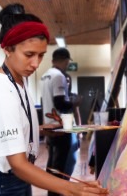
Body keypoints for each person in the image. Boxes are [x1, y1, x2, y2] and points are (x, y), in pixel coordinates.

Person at [0, 3, 108, 196]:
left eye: (41, 55)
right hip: (2, 182)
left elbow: (2, 126)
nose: (36, 63)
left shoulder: (18, 79)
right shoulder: (1, 90)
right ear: (7, 49)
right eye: (29, 55)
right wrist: (71, 188)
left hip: (14, 179)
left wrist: (37, 130)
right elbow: (18, 165)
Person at [41, 47, 82, 196]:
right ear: (66, 61)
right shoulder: (59, 76)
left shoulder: (45, 76)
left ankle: (52, 193)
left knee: (52, 166)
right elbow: (60, 104)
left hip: (49, 126)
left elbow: (49, 102)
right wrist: (75, 103)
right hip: (60, 127)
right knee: (62, 168)